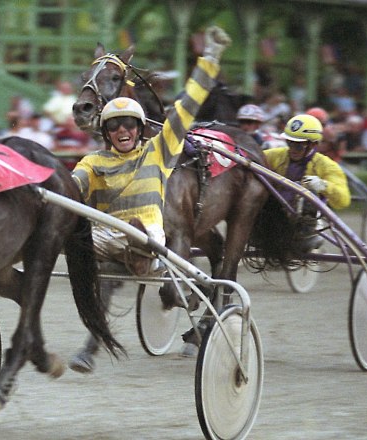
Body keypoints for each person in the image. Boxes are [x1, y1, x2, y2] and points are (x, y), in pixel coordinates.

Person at [68, 26, 232, 373]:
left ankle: (146, 260)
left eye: (129, 124)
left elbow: (187, 106)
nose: (123, 131)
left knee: (139, 234)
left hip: (145, 240)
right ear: (106, 131)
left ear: (140, 128)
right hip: (105, 238)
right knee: (67, 232)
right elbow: (70, 188)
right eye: (114, 127)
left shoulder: (160, 151)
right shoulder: (93, 162)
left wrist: (211, 58)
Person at [264, 114, 351, 252]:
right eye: (289, 143)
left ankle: (306, 236)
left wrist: (324, 185)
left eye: (298, 145)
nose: (292, 149)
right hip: (275, 211)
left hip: (305, 217)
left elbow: (343, 200)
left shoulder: (328, 166)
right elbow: (250, 158)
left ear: (313, 144)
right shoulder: (274, 155)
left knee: (307, 194)